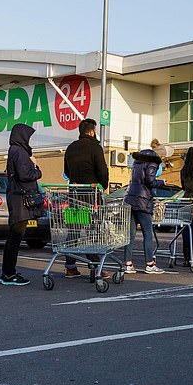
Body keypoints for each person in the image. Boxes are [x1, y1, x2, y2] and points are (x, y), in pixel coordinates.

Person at [62, 118, 109, 277]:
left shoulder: (70, 148)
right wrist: (102, 185)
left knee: (74, 230)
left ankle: (70, 266)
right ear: (91, 131)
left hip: (75, 193)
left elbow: (67, 171)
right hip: (92, 194)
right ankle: (96, 267)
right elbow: (102, 171)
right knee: (93, 230)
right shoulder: (95, 148)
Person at [0, 123, 42, 286]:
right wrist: (36, 167)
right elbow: (26, 175)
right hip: (20, 200)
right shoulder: (19, 152)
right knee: (15, 236)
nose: (29, 140)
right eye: (28, 136)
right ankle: (9, 274)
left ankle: (8, 272)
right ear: (22, 136)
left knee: (14, 237)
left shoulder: (14, 150)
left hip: (16, 198)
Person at [124, 149, 166, 274]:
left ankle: (128, 264)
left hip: (131, 199)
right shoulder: (152, 163)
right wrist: (162, 182)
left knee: (130, 235)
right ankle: (149, 264)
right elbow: (150, 181)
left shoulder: (136, 163)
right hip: (143, 201)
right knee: (148, 234)